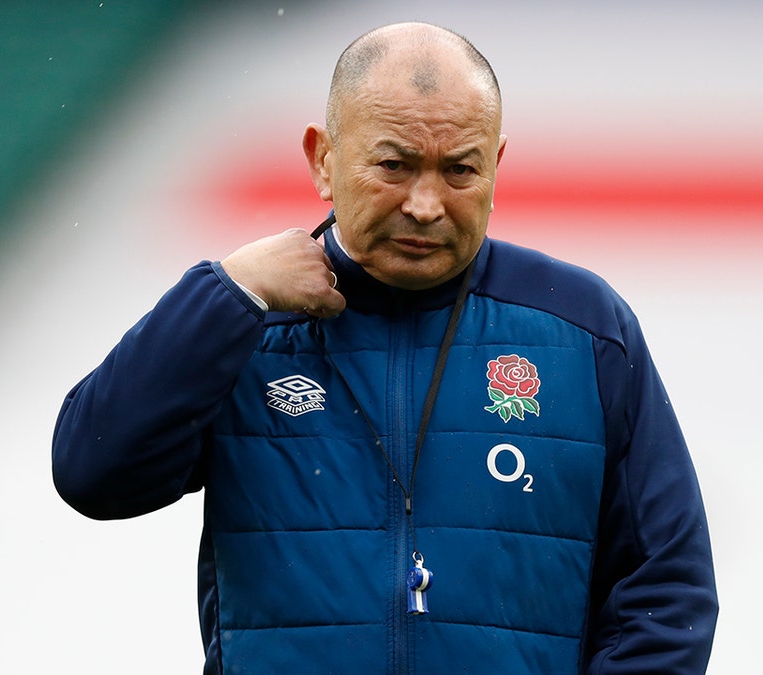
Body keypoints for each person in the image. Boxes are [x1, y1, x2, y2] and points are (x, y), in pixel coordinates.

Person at [52, 21, 718, 674]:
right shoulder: (243, 325)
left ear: (497, 163)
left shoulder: (583, 326)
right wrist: (231, 292)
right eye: (394, 165)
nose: (426, 204)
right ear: (323, 158)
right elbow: (94, 471)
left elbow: (667, 591)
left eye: (460, 170)